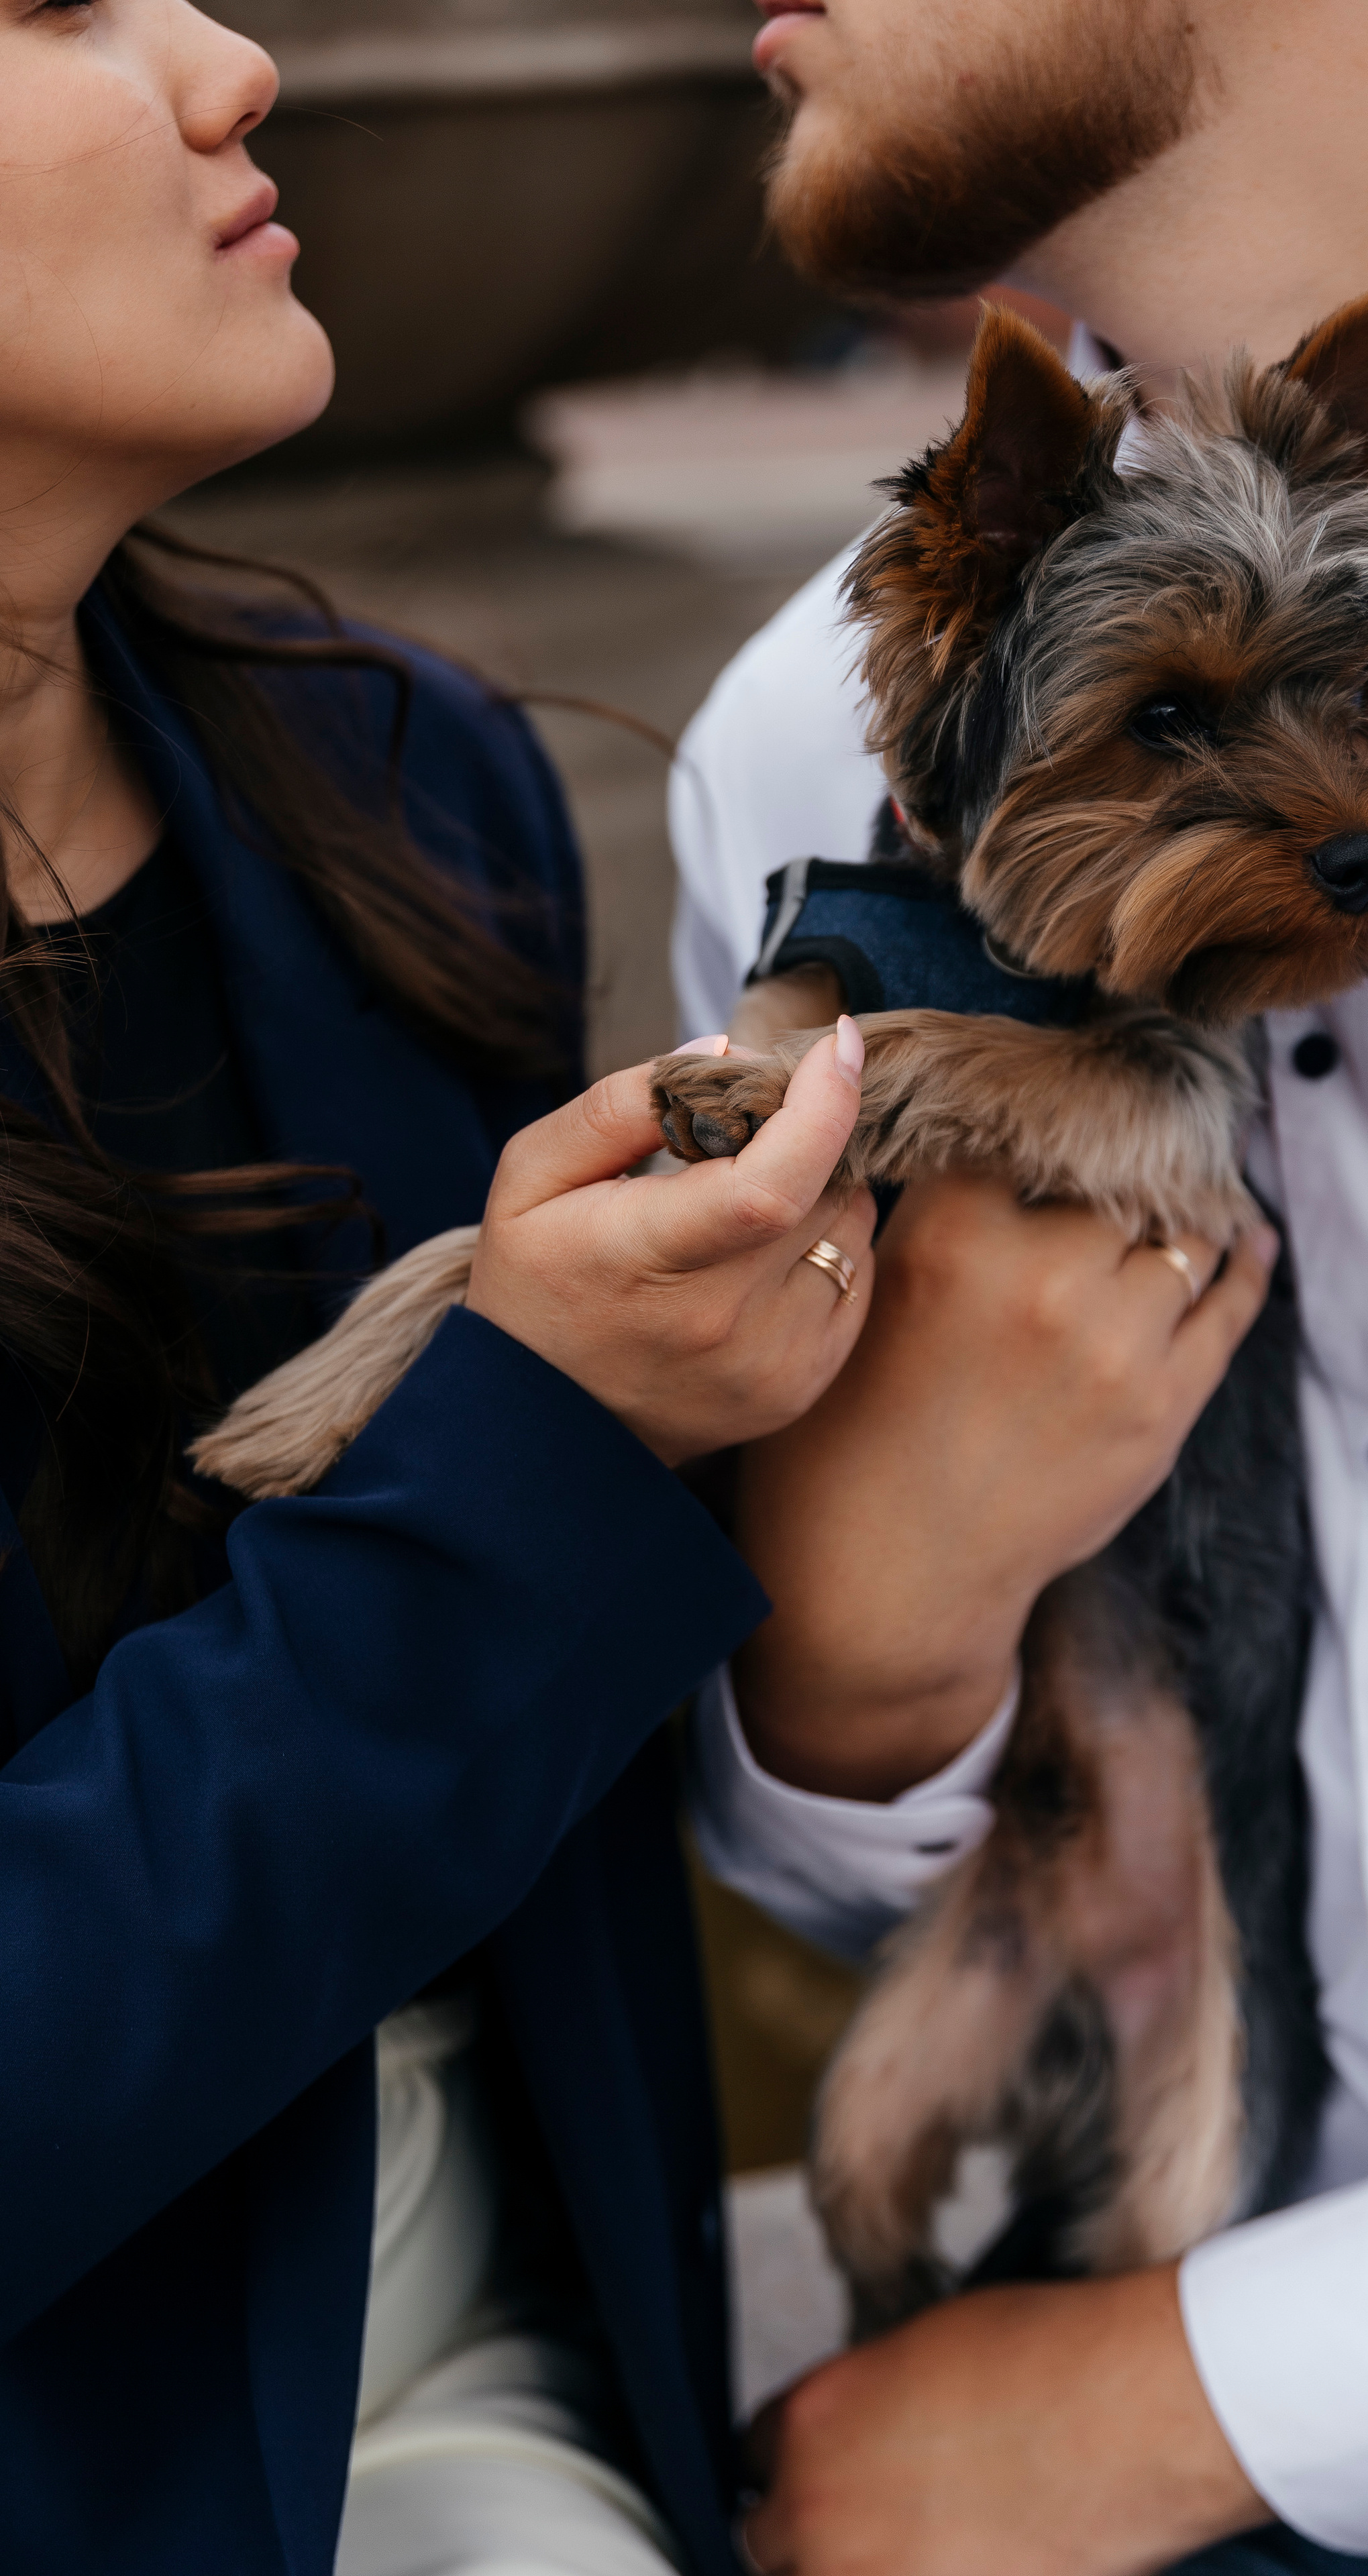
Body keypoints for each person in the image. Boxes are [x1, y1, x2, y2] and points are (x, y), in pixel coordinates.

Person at [671, 4, 1368, 2575]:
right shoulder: (800, 754)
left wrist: (1205, 2400)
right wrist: (865, 1660)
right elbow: (813, 1872)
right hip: (1075, 2290)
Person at [0, 5, 880, 2571]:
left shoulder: (401, 785)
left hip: (537, 2385)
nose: (231, 61)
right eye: (51, 4)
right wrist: (519, 1460)